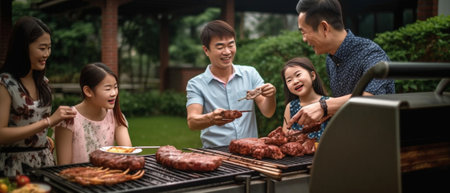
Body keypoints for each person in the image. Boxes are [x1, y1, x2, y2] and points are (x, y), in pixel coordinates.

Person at [290, 0, 395, 128]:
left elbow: (372, 98)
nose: (304, 39)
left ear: (324, 28)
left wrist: (323, 106)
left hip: (380, 139)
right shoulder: (330, 60)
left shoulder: (371, 53)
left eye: (304, 32)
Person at [0, 16, 76, 177]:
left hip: (45, 164)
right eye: (42, 48)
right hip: (15, 168)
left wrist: (46, 136)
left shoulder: (43, 82)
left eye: (49, 47)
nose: (47, 54)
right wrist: (48, 122)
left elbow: (36, 125)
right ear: (23, 48)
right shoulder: (5, 84)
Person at [186, 20, 277, 148]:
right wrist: (211, 118)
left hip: (250, 152)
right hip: (215, 153)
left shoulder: (250, 73)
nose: (227, 52)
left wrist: (270, 95)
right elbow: (192, 121)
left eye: (231, 45)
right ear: (206, 50)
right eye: (220, 47)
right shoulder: (196, 84)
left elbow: (268, 111)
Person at [54, 63, 132, 165]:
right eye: (108, 89)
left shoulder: (116, 116)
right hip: (77, 178)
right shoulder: (68, 119)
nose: (114, 93)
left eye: (115, 87)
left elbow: (128, 153)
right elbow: (64, 166)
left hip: (109, 176)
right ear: (88, 91)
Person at [281, 57, 330, 141]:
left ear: (312, 75)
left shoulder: (329, 103)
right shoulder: (290, 107)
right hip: (299, 153)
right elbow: (284, 138)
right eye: (289, 80)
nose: (295, 81)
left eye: (298, 75)